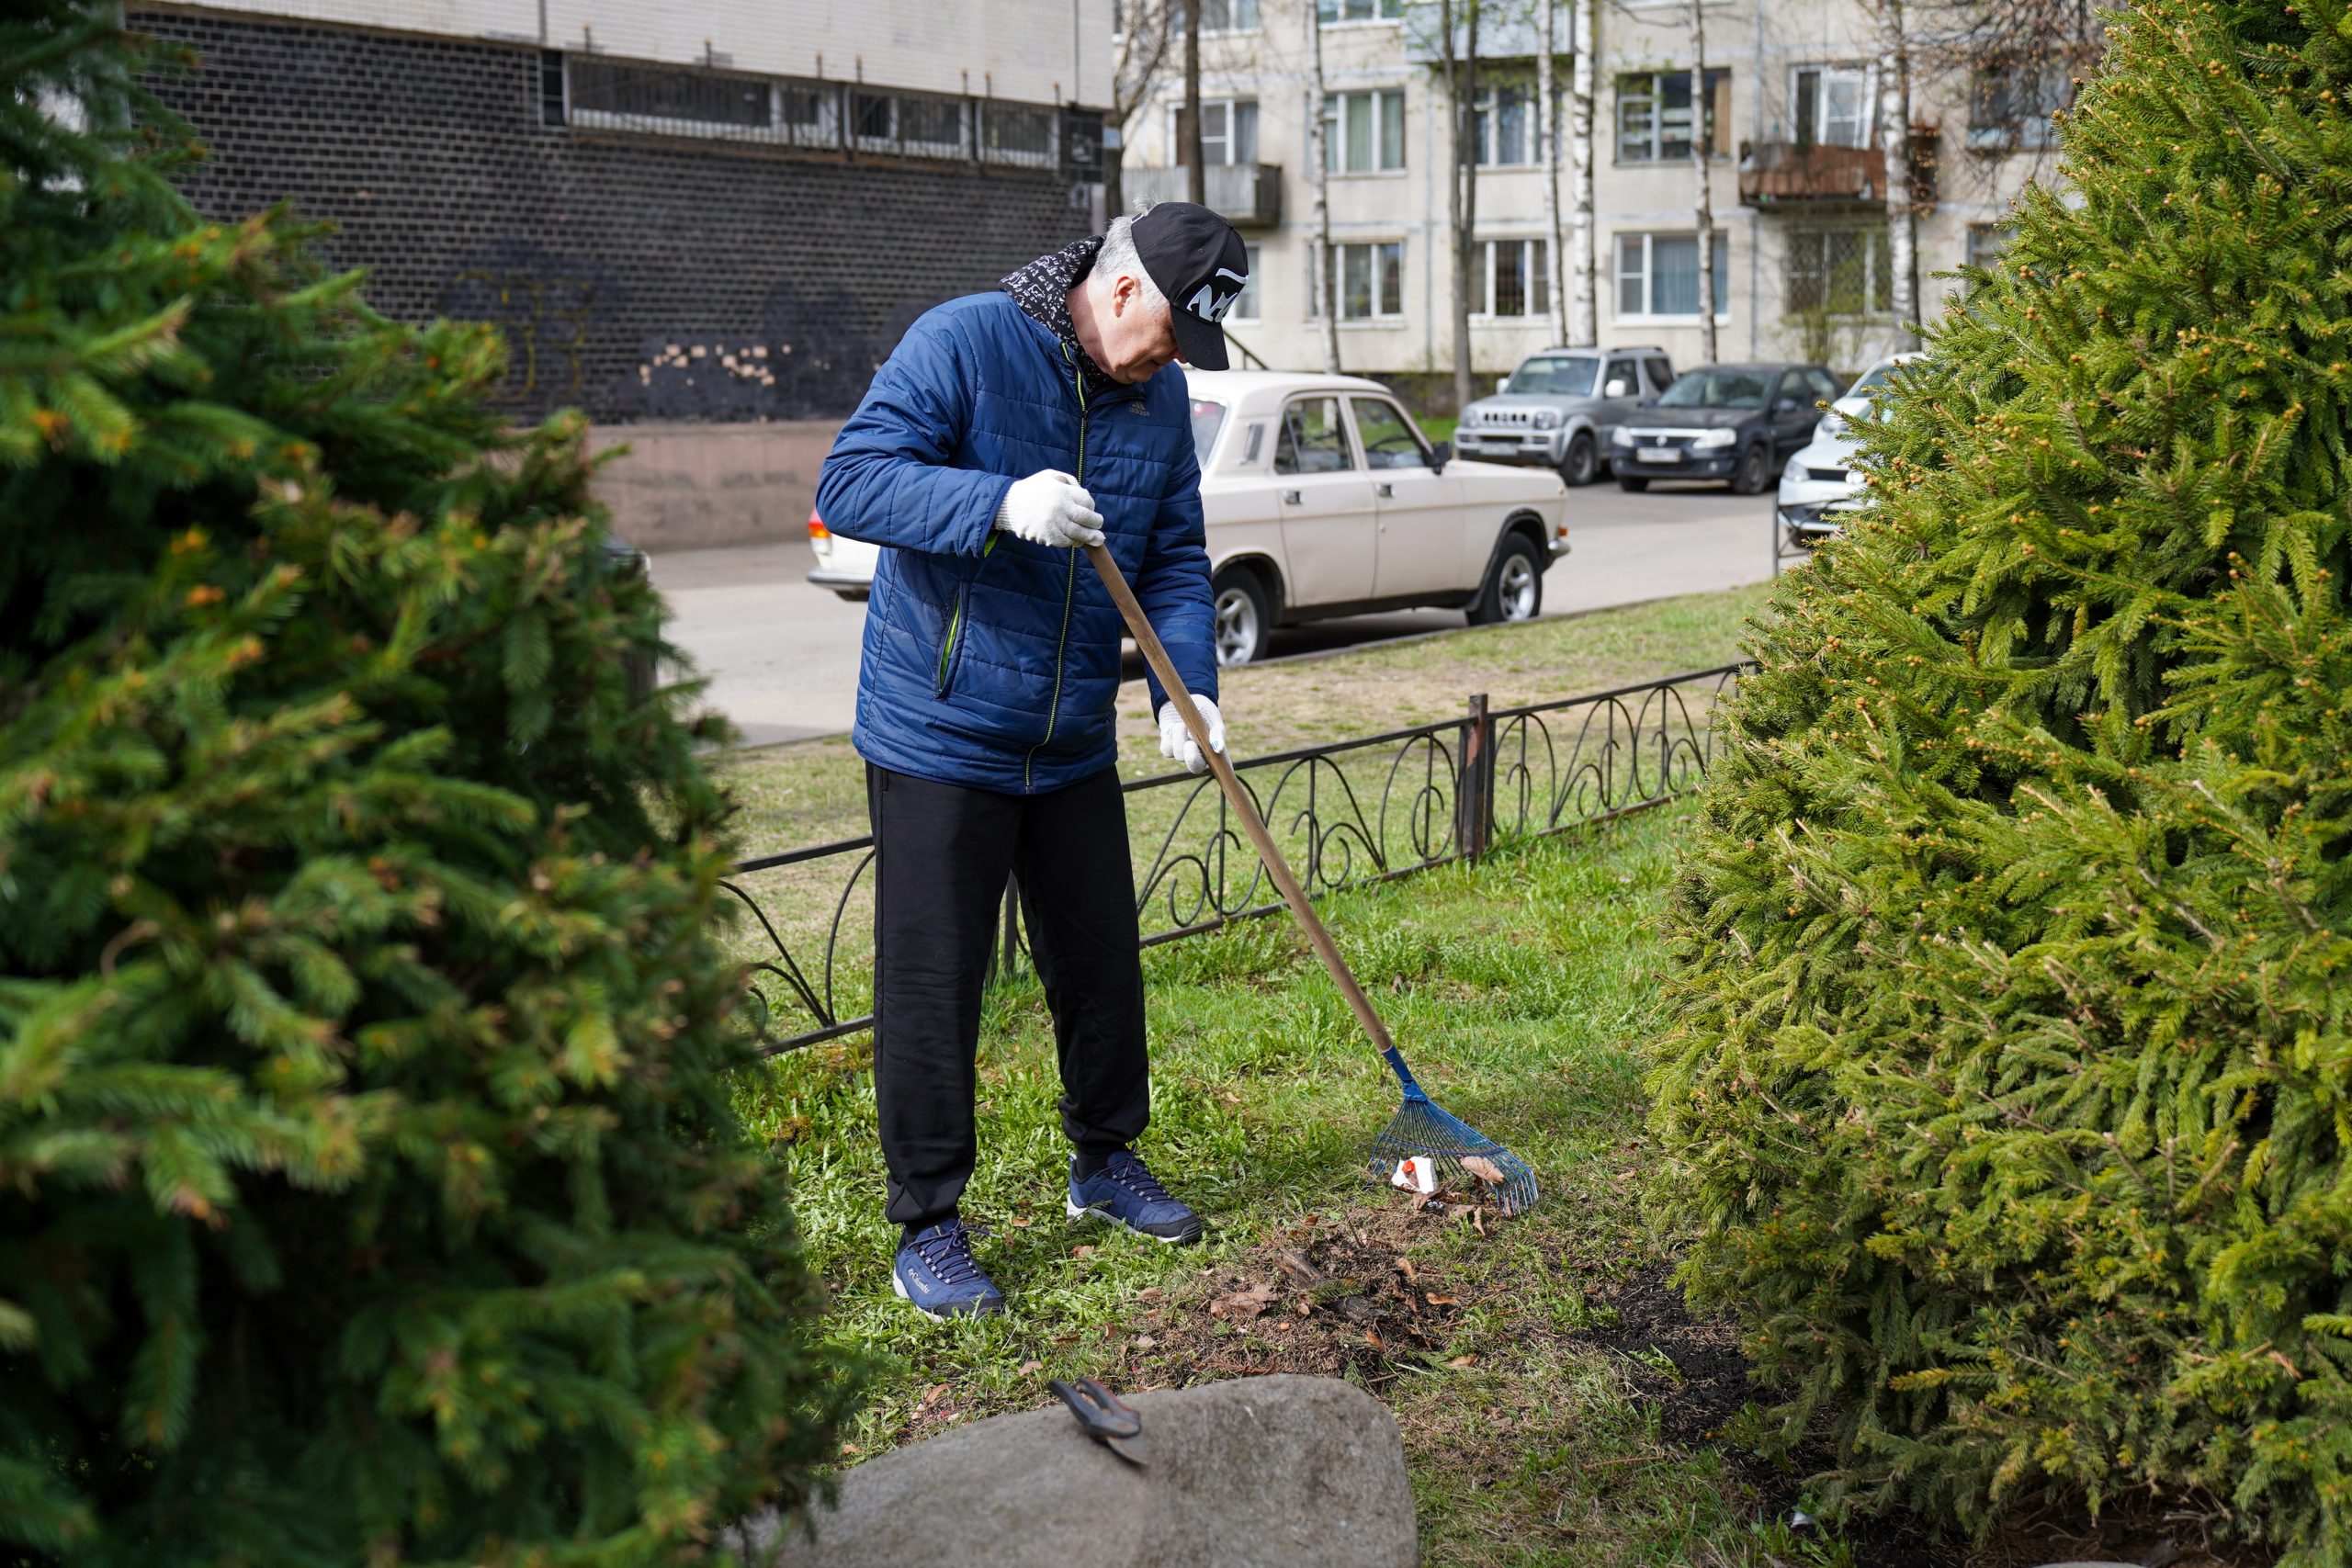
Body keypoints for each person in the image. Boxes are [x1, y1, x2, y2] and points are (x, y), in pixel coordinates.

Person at [814, 203, 1250, 1317]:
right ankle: (930, 1223)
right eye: (1167, 335)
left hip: (1063, 742)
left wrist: (1183, 683)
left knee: (1101, 964)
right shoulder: (963, 339)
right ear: (1116, 292)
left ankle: (1104, 1164)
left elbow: (1175, 556)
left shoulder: (1153, 402)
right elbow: (851, 484)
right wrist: (997, 501)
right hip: (940, 731)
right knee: (933, 985)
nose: (1171, 365)